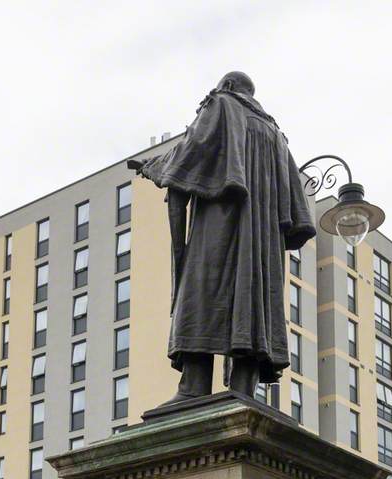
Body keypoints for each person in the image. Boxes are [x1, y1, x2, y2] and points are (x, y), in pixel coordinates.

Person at [129, 71, 315, 402]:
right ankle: (243, 388)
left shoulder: (221, 105)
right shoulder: (275, 133)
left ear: (226, 86)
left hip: (221, 220)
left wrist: (154, 167)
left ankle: (193, 386)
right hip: (262, 241)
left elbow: (194, 147)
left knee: (201, 291)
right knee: (253, 301)